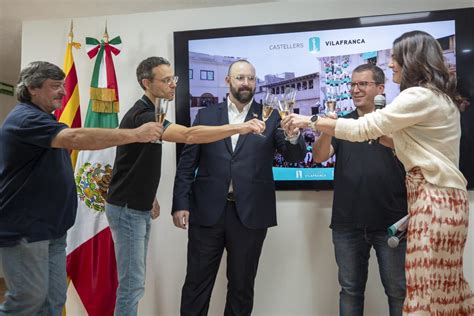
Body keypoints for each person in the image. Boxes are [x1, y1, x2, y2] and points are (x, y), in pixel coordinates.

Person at [282, 31, 474, 315]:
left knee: (422, 294)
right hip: (438, 201)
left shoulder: (418, 96)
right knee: (443, 292)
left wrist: (311, 120)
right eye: (352, 84)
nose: (392, 63)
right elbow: (392, 140)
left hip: (433, 202)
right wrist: (333, 127)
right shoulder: (435, 97)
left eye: (395, 57)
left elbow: (365, 129)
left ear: (411, 60)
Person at [0, 61, 163, 316]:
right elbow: (75, 138)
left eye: (64, 86)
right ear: (32, 88)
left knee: (53, 301)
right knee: (27, 300)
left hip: (52, 229)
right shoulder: (25, 119)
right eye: (55, 87)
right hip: (25, 231)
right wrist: (134, 134)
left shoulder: (45, 119)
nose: (63, 93)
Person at [105, 56, 264, 316]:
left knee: (134, 284)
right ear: (147, 83)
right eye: (166, 80)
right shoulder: (143, 114)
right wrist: (239, 127)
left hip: (137, 204)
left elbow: (134, 160)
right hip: (127, 208)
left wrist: (149, 195)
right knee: (132, 286)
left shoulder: (155, 111)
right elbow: (190, 136)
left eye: (174, 79)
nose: (173, 85)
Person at [172, 59, 306, 316]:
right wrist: (180, 203)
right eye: (240, 78)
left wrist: (293, 135)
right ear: (228, 81)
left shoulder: (271, 114)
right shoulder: (207, 115)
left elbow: (294, 156)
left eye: (251, 78)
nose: (246, 83)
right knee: (196, 285)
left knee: (242, 287)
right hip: (207, 214)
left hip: (251, 216)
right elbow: (187, 163)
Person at [313, 64, 408, 315]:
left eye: (362, 84)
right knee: (350, 291)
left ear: (380, 88)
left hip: (392, 223)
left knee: (398, 291)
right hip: (347, 224)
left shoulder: (396, 122)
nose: (355, 90)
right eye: (353, 84)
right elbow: (319, 157)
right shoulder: (342, 123)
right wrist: (325, 128)